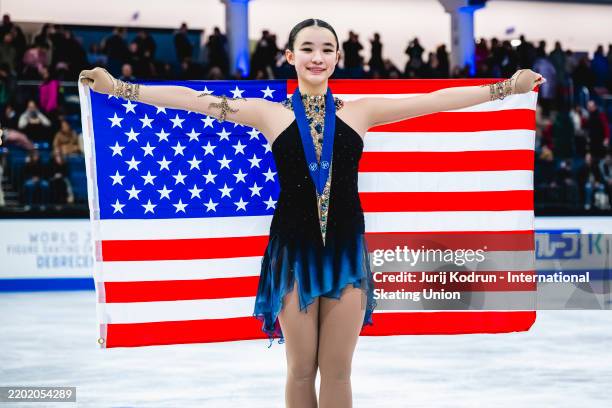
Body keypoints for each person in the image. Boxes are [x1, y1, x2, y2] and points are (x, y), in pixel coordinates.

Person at [79, 18, 546, 407]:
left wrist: (506, 87)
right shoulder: (269, 114)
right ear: (290, 56)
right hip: (293, 254)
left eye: (327, 49)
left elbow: (434, 101)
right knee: (302, 371)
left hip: (345, 255)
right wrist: (119, 87)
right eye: (307, 48)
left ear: (338, 58)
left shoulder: (361, 113)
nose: (317, 56)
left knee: (338, 373)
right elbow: (192, 101)